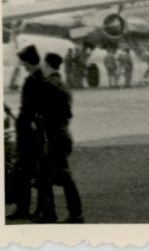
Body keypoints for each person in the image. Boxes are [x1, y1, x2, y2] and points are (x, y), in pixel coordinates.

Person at [34, 53, 83, 223]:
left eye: (44, 65)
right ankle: (51, 213)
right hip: (62, 132)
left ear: (47, 66)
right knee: (45, 174)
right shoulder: (64, 85)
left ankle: (73, 213)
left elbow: (40, 113)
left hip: (52, 135)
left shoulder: (47, 85)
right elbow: (67, 112)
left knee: (59, 174)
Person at [6, 45, 45, 221]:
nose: (23, 66)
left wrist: (28, 125)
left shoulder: (32, 80)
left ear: (28, 62)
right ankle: (35, 209)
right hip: (35, 132)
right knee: (32, 173)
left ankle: (28, 209)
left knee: (27, 172)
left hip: (29, 134)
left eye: (24, 63)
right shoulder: (42, 78)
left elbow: (29, 109)